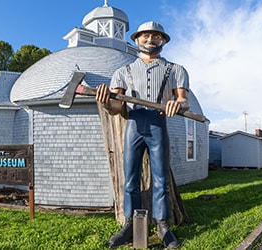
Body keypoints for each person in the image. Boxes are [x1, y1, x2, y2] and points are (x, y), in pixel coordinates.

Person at [96, 21, 189, 248]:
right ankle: (129, 224)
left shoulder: (176, 70)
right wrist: (107, 103)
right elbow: (118, 107)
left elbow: (183, 100)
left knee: (161, 179)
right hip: (134, 125)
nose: (150, 40)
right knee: (130, 179)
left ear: (163, 40)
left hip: (158, 124)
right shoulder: (122, 72)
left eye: (156, 36)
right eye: (145, 36)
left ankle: (163, 225)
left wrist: (178, 104)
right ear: (136, 40)